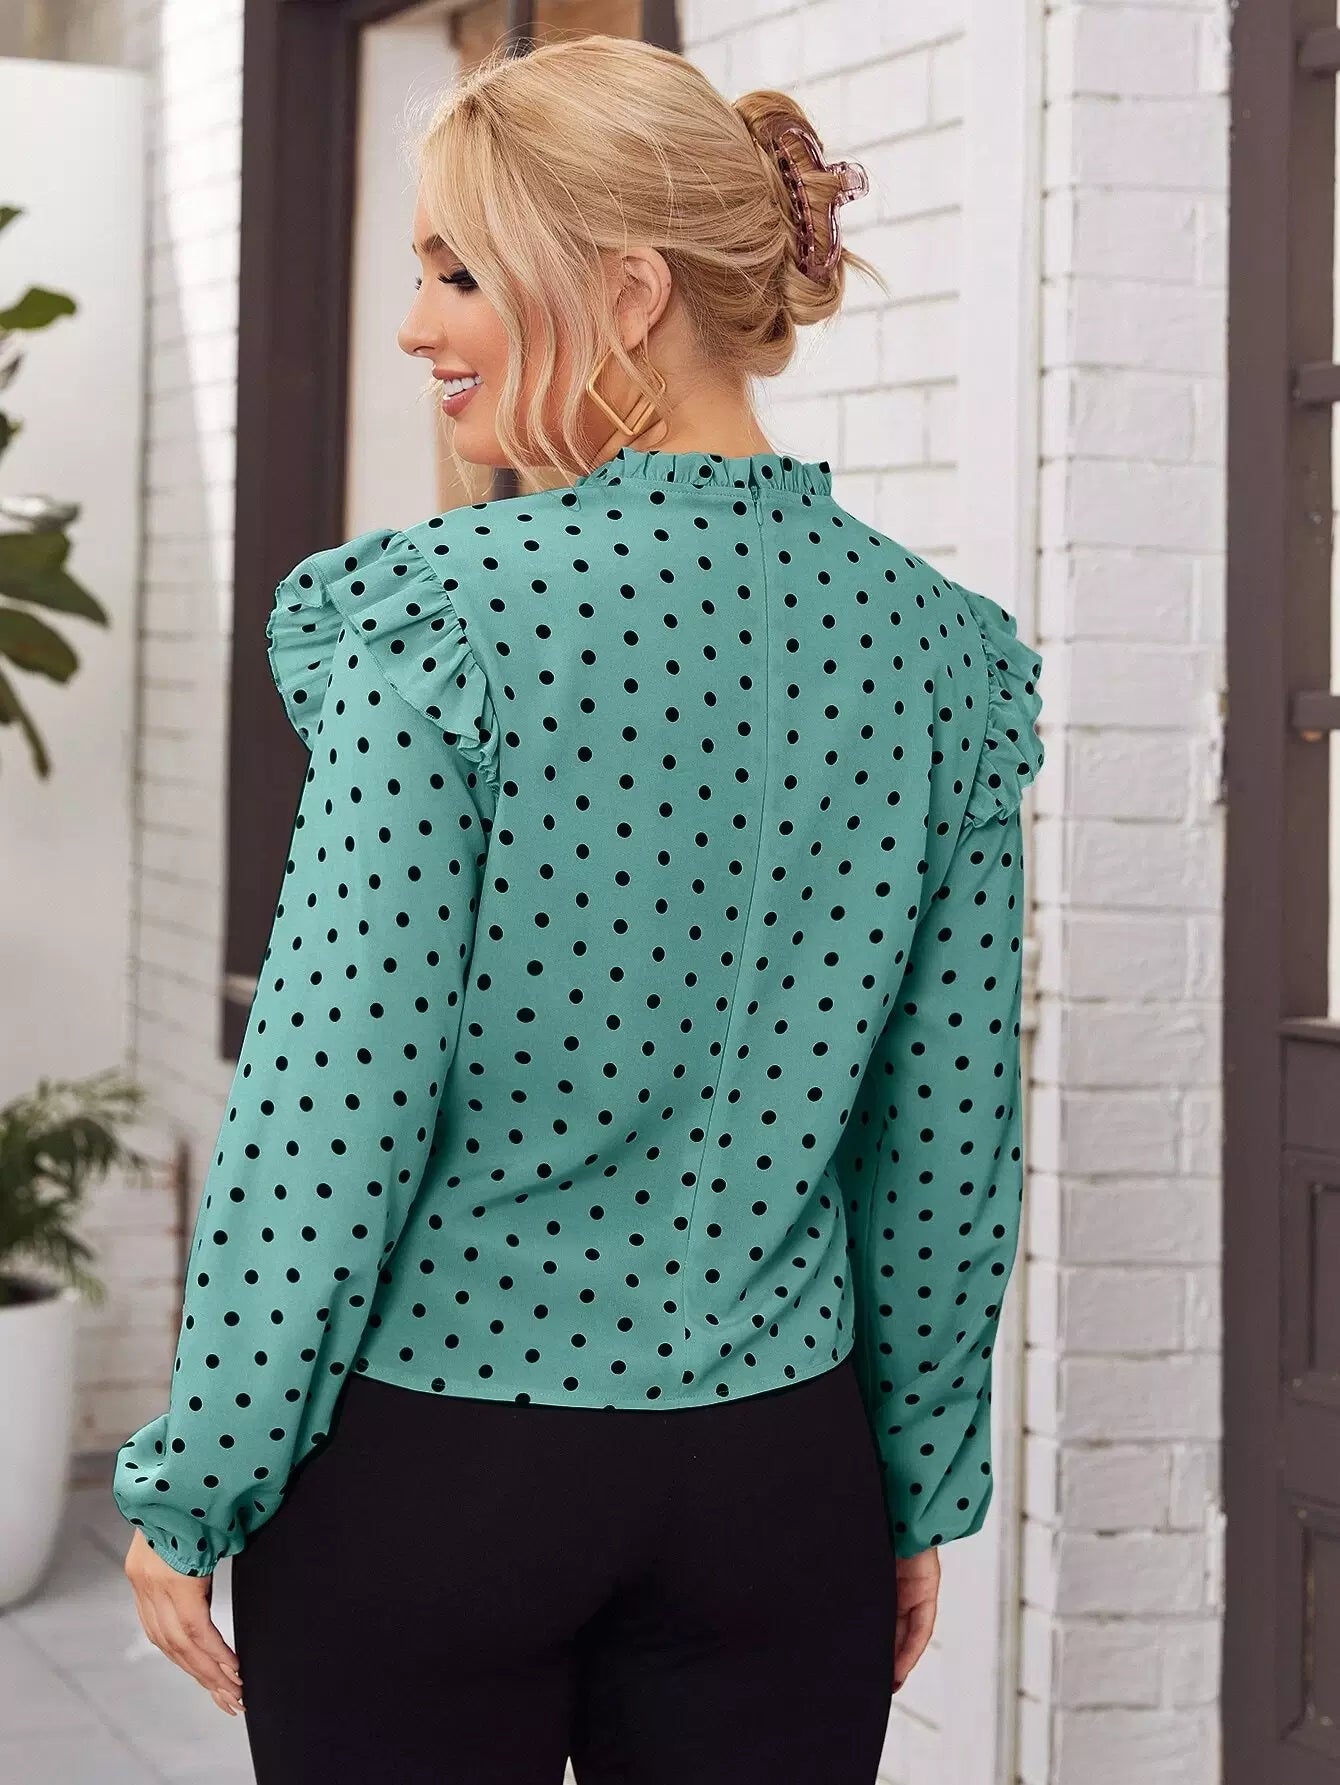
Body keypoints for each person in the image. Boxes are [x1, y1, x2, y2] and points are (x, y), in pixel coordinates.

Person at [113, 33, 1045, 1785]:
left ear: (625, 295)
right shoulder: (940, 655)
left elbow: (331, 1100)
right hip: (777, 1488)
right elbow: (949, 1134)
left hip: (436, 1473)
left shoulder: (444, 619)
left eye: (459, 274)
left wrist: (201, 1473)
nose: (415, 327)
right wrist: (909, 1482)